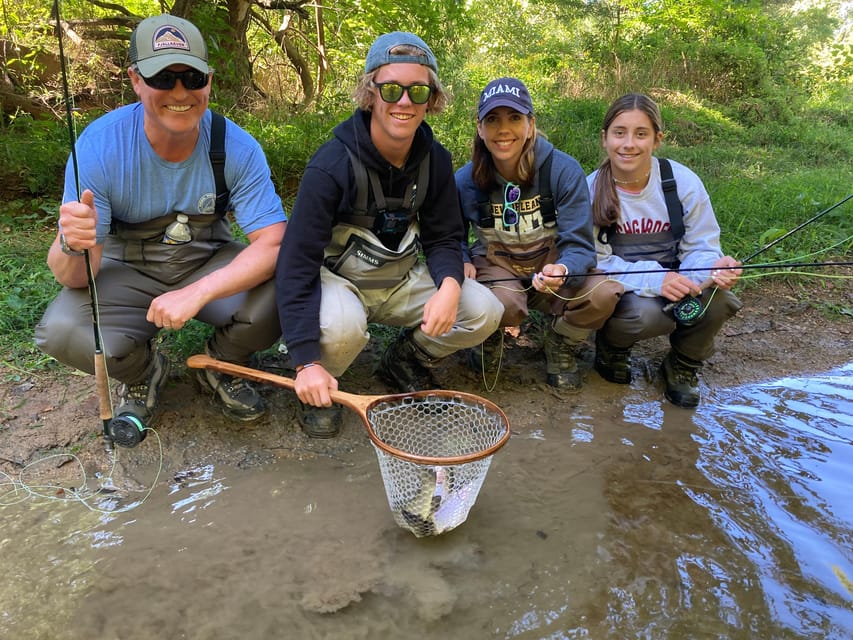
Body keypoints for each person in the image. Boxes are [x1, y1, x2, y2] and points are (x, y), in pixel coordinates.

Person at [35, 15, 287, 426]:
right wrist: (71, 242)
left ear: (209, 79)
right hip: (127, 267)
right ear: (136, 80)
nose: (180, 92)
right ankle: (142, 371)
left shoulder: (237, 147)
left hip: (208, 260)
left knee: (293, 285)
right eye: (162, 79)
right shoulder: (99, 148)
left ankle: (219, 363)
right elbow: (77, 277)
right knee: (62, 329)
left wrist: (199, 292)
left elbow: (274, 243)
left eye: (192, 77)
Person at [275, 32, 503, 438]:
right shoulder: (330, 166)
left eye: (418, 91)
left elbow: (445, 237)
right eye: (391, 89)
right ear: (370, 93)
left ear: (432, 99)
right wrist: (305, 361)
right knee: (343, 326)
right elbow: (296, 264)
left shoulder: (435, 161)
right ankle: (319, 385)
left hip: (397, 281)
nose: (404, 102)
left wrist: (450, 285)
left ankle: (406, 358)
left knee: (483, 309)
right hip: (337, 284)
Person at [456, 77, 624, 390]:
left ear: (531, 124)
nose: (503, 130)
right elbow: (450, 234)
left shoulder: (562, 170)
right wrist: (462, 256)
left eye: (514, 118)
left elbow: (581, 247)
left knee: (604, 293)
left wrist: (564, 269)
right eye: (492, 120)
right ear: (480, 128)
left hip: (551, 268)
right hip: (498, 270)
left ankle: (561, 341)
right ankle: (487, 338)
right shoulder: (465, 180)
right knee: (501, 303)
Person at [588, 93, 742, 408]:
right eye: (619, 133)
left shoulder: (682, 182)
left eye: (640, 134)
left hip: (679, 281)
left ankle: (682, 366)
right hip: (626, 290)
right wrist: (658, 280)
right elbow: (597, 262)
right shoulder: (590, 189)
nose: (628, 143)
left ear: (657, 139)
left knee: (722, 301)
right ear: (605, 139)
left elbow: (700, 246)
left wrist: (713, 267)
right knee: (645, 316)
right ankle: (612, 350)